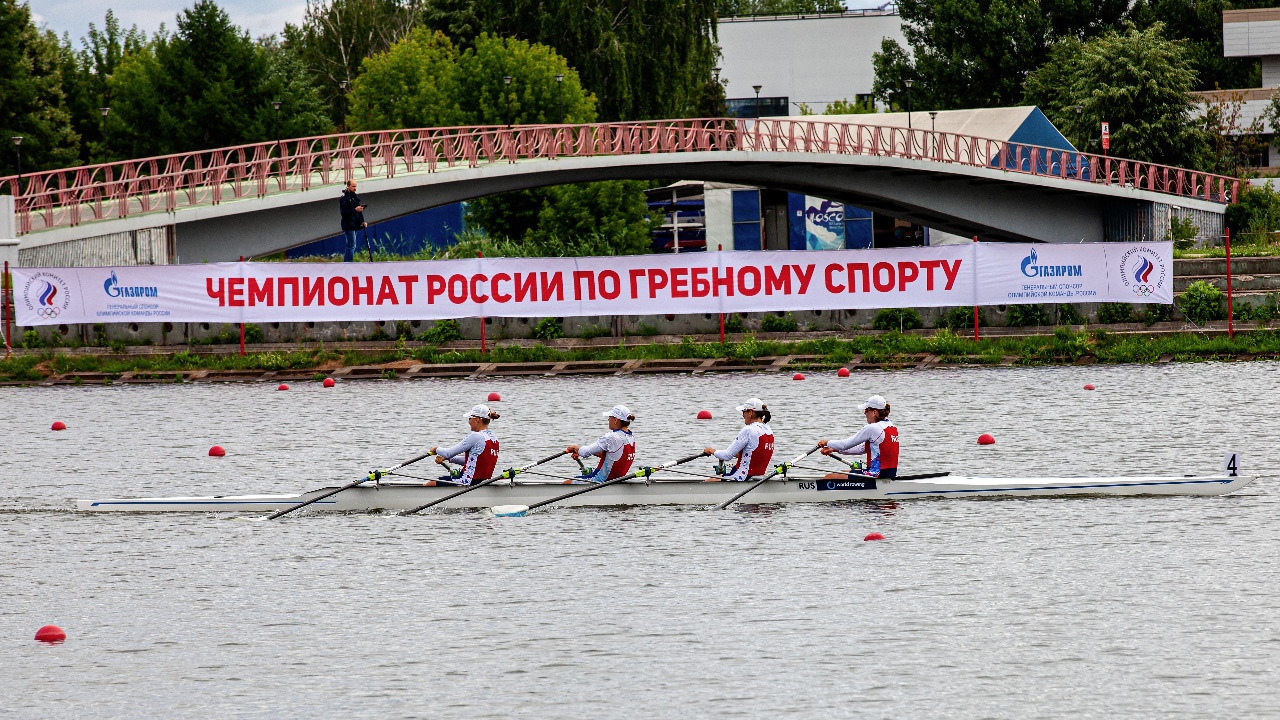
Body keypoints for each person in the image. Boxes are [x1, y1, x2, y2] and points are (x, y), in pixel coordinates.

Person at [816, 394, 898, 479]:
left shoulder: (872, 428)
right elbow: (861, 449)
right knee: (841, 473)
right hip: (890, 473)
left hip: (876, 474)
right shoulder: (892, 427)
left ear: (874, 412)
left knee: (829, 477)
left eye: (866, 410)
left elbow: (845, 444)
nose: (864, 413)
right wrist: (834, 449)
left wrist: (827, 442)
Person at [703, 398, 774, 482]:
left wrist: (711, 451)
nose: (743, 415)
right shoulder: (768, 430)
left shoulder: (749, 430)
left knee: (708, 481)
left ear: (750, 412)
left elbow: (727, 455)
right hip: (758, 477)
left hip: (741, 477)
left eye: (744, 412)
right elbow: (754, 453)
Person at [429, 405, 500, 486]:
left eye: (470, 419)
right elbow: (475, 461)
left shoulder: (476, 436)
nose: (469, 422)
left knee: (431, 483)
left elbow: (448, 453)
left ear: (477, 420)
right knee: (440, 480)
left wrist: (436, 449)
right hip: (483, 482)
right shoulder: (494, 439)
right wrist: (449, 459)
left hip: (466, 481)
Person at [566, 405, 636, 483]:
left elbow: (585, 452)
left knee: (567, 483)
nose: (608, 419)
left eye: (610, 417)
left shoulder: (611, 437)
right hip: (616, 480)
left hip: (599, 481)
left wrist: (575, 448)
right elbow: (614, 456)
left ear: (616, 420)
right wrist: (578, 451)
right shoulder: (631, 437)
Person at [339, 179, 367, 263]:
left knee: (351, 245)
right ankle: (348, 263)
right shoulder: (344, 198)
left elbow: (359, 211)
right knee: (351, 245)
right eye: (353, 186)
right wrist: (355, 210)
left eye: (356, 186)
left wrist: (362, 221)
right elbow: (343, 212)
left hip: (355, 223)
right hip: (348, 224)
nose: (355, 188)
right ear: (348, 186)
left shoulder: (355, 197)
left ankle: (348, 262)